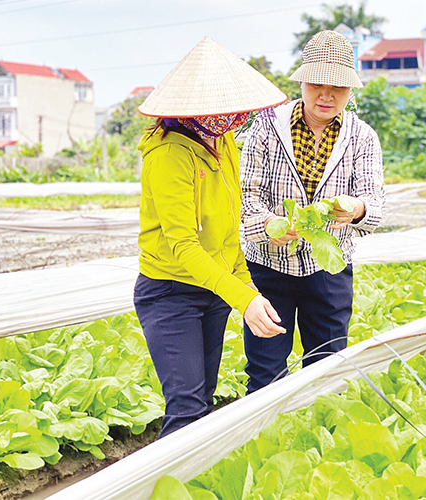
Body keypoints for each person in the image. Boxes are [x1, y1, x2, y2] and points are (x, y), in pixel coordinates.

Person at [133, 37, 287, 437]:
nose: (233, 118)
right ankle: (164, 475)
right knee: (186, 408)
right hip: (170, 292)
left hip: (213, 289)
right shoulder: (169, 154)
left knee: (203, 400)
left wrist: (246, 287)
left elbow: (228, 232)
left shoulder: (222, 141)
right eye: (222, 109)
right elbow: (184, 245)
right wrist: (244, 300)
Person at [240, 30, 385, 394]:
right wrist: (270, 225)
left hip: (328, 269)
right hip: (269, 267)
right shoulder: (266, 127)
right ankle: (266, 427)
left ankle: (318, 428)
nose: (326, 95)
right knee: (265, 371)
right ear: (302, 82)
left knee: (328, 369)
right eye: (317, 84)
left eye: (337, 87)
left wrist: (356, 209)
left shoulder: (362, 137)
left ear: (350, 91)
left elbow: (375, 202)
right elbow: (246, 199)